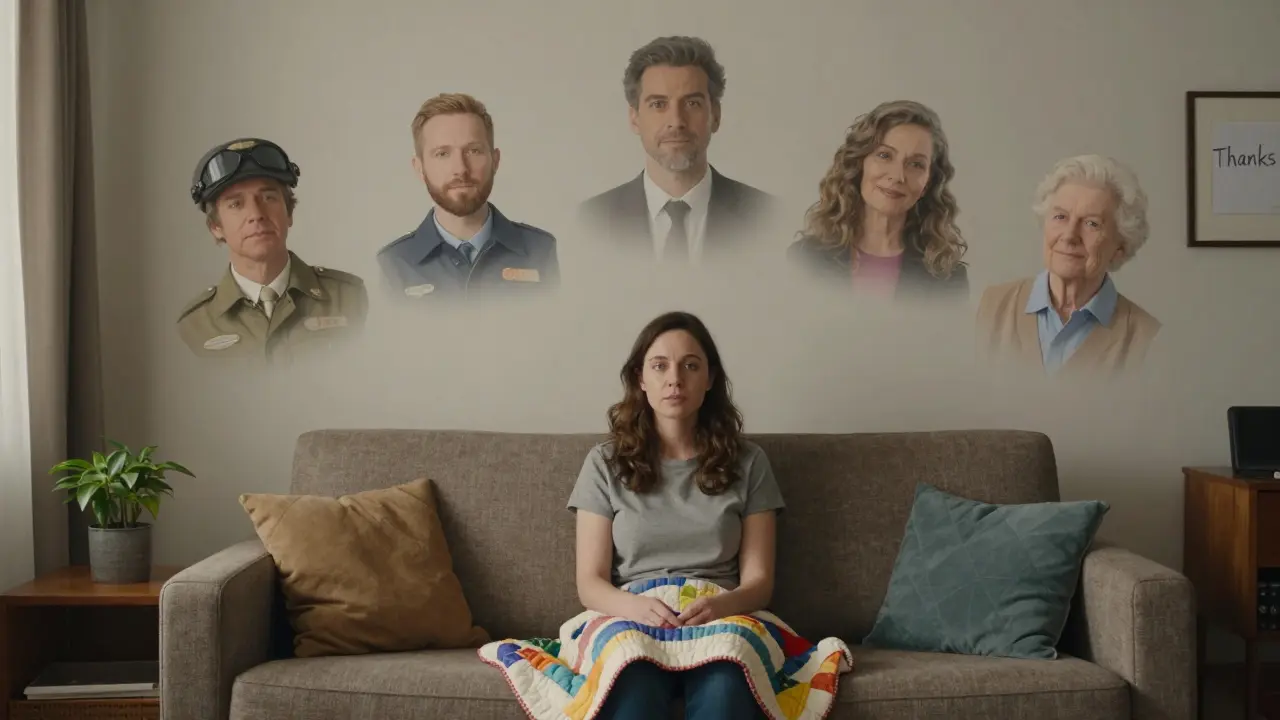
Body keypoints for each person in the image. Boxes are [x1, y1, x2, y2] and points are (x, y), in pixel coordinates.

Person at [566, 311, 781, 719]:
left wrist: (720, 608)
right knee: (630, 687)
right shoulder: (603, 463)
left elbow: (760, 582)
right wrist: (635, 608)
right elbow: (590, 582)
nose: (675, 379)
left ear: (710, 379)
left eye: (691, 366)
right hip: (632, 615)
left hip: (721, 615)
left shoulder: (750, 463)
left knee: (726, 691)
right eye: (659, 365)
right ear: (640, 379)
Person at [577, 36, 781, 268]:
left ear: (715, 115)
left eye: (692, 103)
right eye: (658, 104)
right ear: (634, 118)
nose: (676, 121)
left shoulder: (766, 215)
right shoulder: (593, 219)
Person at [177, 137, 368, 362]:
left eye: (269, 198)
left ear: (289, 213)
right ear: (216, 227)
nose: (257, 214)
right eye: (236, 204)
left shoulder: (349, 298)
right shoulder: (194, 325)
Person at [975, 154, 1161, 377]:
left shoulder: (1146, 339)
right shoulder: (990, 307)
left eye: (1092, 224)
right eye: (1060, 217)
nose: (1070, 235)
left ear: (1120, 245)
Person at [377, 93, 560, 301]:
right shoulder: (391, 264)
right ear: (419, 168)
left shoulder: (542, 250)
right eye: (442, 154)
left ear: (495, 161)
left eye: (473, 151)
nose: (461, 169)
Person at [787, 100, 968, 300]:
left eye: (916, 164)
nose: (898, 176)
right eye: (884, 155)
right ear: (859, 164)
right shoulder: (804, 259)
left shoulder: (948, 278)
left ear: (927, 183)